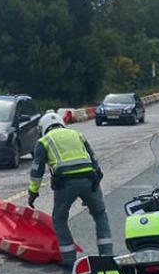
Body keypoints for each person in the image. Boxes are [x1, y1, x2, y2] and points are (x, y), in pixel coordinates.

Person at [28, 112, 113, 266]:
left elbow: (37, 171)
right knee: (100, 214)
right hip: (89, 179)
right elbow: (94, 159)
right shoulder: (77, 134)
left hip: (65, 183)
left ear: (43, 128)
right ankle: (107, 254)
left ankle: (69, 259)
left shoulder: (43, 141)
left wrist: (33, 192)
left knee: (59, 219)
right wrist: (95, 184)